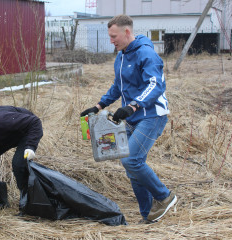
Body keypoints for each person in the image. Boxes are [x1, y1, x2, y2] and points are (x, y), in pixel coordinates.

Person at [80, 14, 177, 224]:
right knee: (130, 164)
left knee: (131, 159)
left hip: (152, 115)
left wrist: (133, 105)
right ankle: (149, 214)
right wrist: (99, 106)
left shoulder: (146, 54)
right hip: (134, 117)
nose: (111, 41)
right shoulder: (121, 56)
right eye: (109, 37)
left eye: (114, 36)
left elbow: (155, 85)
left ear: (126, 32)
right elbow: (118, 86)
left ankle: (164, 196)